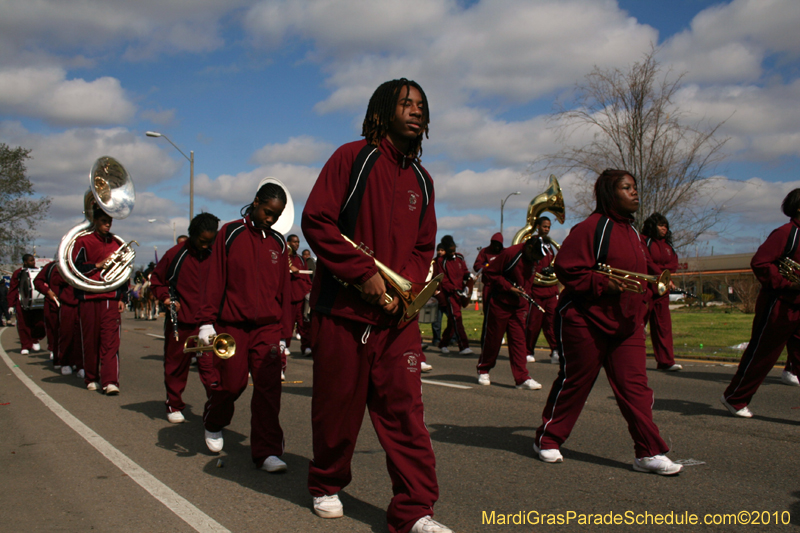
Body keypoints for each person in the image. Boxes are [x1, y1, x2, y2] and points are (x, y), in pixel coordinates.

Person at [302, 78, 452, 533]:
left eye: (421, 105)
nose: (416, 111)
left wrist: (404, 289)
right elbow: (317, 220)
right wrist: (361, 272)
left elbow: (424, 246)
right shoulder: (352, 157)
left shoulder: (423, 181)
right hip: (342, 312)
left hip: (396, 320)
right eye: (406, 103)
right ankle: (327, 483)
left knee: (406, 414)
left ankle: (414, 510)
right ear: (383, 111)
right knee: (337, 410)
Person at [534, 169, 682, 476]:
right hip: (586, 320)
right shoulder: (592, 227)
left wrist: (653, 286)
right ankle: (548, 438)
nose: (634, 192)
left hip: (626, 324)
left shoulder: (635, 234)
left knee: (636, 389)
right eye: (627, 188)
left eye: (635, 187)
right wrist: (603, 284)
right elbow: (567, 268)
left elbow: (645, 272)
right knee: (576, 383)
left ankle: (648, 452)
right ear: (609, 194)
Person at [196, 182, 292, 473]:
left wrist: (284, 335)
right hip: (232, 325)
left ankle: (267, 451)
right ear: (256, 202)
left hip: (268, 328)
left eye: (276, 216)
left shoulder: (279, 243)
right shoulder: (230, 233)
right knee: (232, 384)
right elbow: (215, 278)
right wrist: (206, 322)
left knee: (268, 389)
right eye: (267, 212)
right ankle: (214, 421)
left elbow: (284, 291)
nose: (270, 219)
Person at [721, 189, 800, 418]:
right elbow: (760, 262)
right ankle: (734, 398)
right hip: (779, 304)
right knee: (762, 355)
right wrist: (788, 283)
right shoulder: (786, 233)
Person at [150, 212, 220, 424]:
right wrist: (166, 298)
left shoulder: (217, 254)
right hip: (181, 322)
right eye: (202, 241)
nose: (206, 246)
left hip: (209, 323)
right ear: (192, 235)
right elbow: (156, 281)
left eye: (210, 241)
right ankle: (174, 404)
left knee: (212, 368)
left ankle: (216, 409)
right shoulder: (174, 254)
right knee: (176, 365)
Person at [477, 237, 544, 390]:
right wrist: (509, 288)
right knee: (493, 339)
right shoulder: (511, 253)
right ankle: (484, 369)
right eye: (535, 257)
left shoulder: (534, 259)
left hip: (519, 305)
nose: (536, 261)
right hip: (500, 303)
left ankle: (522, 378)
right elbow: (490, 273)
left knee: (519, 341)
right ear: (529, 248)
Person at [72, 210, 127, 394]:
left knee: (111, 342)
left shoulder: (117, 243)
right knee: (90, 340)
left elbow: (124, 272)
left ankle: (110, 381)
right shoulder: (82, 241)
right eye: (104, 220)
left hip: (110, 297)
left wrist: (122, 296)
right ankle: (91, 377)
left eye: (110, 220)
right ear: (94, 220)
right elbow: (75, 268)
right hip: (88, 296)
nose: (108, 224)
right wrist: (97, 265)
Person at [641, 213, 682, 371]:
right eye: (660, 225)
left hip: (662, 291)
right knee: (637, 325)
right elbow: (646, 261)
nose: (664, 228)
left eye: (665, 226)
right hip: (645, 288)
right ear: (653, 226)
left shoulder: (668, 246)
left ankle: (666, 361)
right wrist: (660, 275)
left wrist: (665, 276)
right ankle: (629, 360)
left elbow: (673, 264)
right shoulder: (644, 240)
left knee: (663, 327)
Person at [525, 217, 560, 364]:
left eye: (548, 227)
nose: (547, 229)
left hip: (551, 290)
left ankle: (555, 351)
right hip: (537, 291)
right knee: (534, 323)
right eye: (544, 226)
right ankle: (528, 351)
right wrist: (541, 270)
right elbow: (530, 261)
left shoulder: (549, 244)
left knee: (552, 322)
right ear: (538, 226)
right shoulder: (532, 242)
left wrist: (552, 269)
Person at [435, 235, 473, 355]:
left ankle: (443, 343)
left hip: (461, 292)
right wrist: (454, 289)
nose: (453, 253)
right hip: (450, 295)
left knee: (452, 321)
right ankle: (463, 346)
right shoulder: (441, 262)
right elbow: (444, 280)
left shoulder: (460, 257)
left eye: (454, 250)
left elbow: (464, 270)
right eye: (450, 250)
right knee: (457, 318)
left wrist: (468, 275)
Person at [7, 253, 44, 354]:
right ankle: (26, 345)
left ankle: (35, 340)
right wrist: (11, 305)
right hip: (22, 301)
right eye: (31, 260)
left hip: (37, 303)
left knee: (39, 323)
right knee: (23, 324)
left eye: (33, 260)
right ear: (25, 262)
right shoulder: (18, 273)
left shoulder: (39, 271)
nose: (34, 262)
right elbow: (13, 289)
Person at [286, 234, 313, 359]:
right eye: (294, 242)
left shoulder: (302, 260)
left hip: (301, 298)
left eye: (298, 242)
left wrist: (309, 289)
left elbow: (307, 278)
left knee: (304, 324)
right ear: (288, 243)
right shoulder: (284, 258)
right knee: (288, 324)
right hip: (289, 299)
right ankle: (285, 345)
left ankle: (306, 347)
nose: (296, 244)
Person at [33, 260, 61, 363]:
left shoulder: (78, 263)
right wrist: (47, 291)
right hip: (53, 303)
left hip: (72, 302)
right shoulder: (51, 266)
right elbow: (37, 281)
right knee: (53, 327)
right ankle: (53, 349)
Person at [474, 232, 504, 309]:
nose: (497, 247)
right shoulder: (484, 252)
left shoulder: (504, 253)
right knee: (488, 308)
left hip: (501, 286)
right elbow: (477, 266)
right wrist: (487, 268)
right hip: (489, 285)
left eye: (498, 245)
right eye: (495, 244)